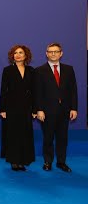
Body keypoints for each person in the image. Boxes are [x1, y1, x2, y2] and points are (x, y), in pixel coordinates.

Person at [35, 42, 78, 173]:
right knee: (48, 137)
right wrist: (39, 109)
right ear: (46, 54)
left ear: (61, 53)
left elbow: (73, 90)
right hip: (47, 111)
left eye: (56, 51)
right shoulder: (39, 71)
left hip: (64, 110)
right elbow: (38, 92)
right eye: (50, 52)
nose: (53, 54)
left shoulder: (69, 69)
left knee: (62, 137)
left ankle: (61, 162)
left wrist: (74, 108)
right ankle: (48, 162)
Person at [0, 45, 36, 171]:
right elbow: (3, 91)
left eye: (21, 52)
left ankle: (24, 160)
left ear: (26, 55)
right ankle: (14, 161)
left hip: (27, 107)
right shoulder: (8, 70)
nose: (18, 55)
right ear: (12, 56)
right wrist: (3, 109)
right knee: (13, 134)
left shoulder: (32, 70)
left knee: (25, 134)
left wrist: (34, 110)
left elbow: (34, 91)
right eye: (15, 53)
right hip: (11, 107)